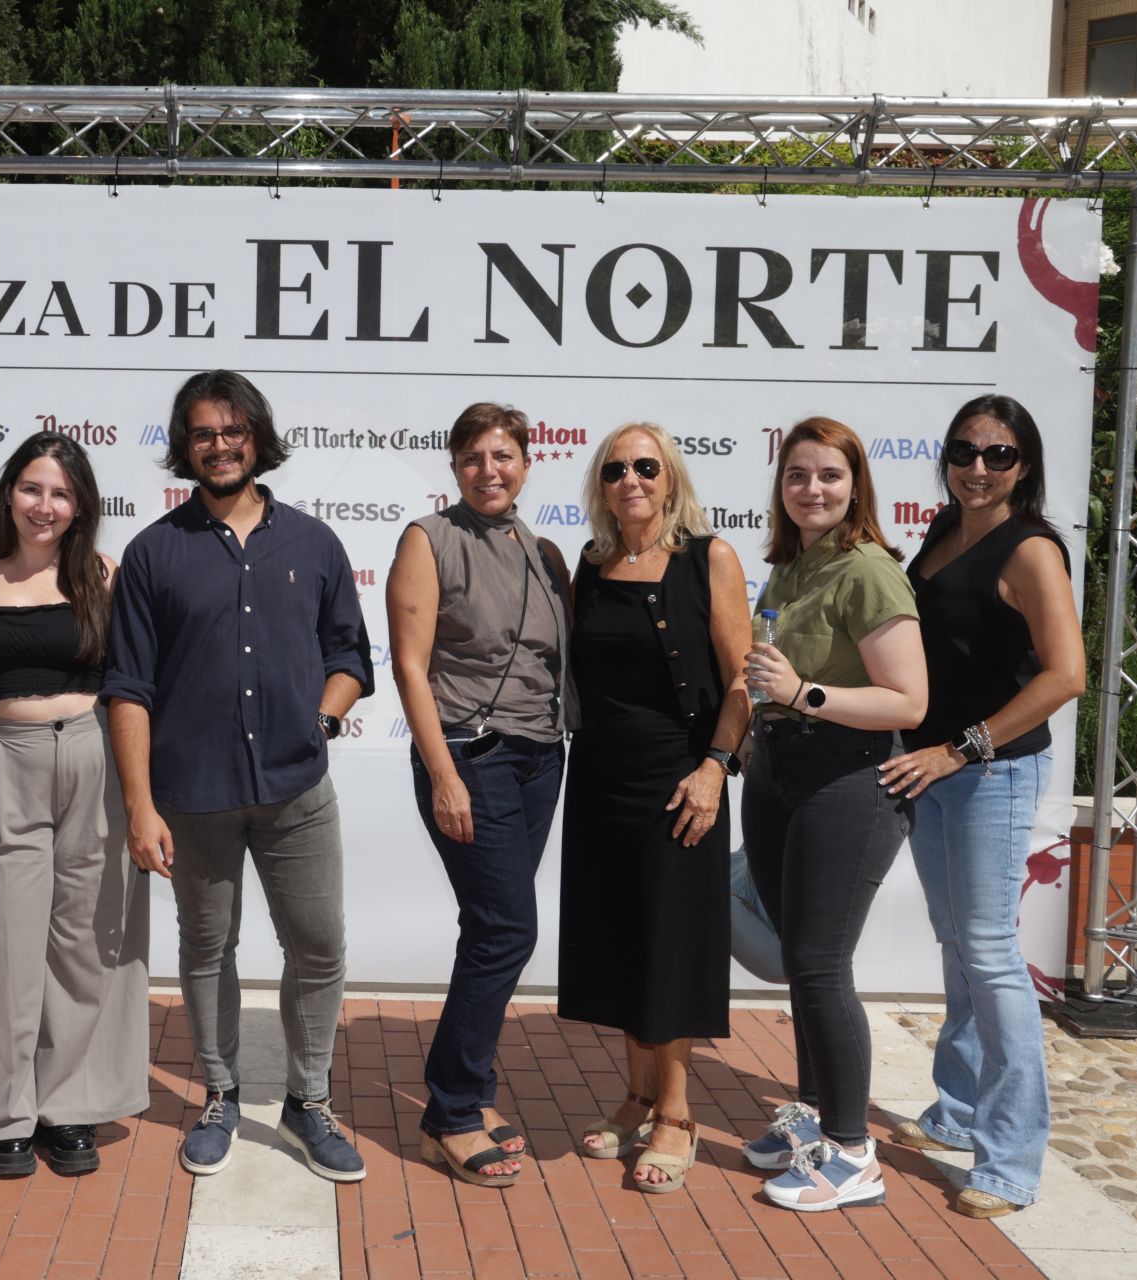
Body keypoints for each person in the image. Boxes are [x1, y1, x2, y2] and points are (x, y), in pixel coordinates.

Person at [103, 370, 374, 1183]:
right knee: (208, 947)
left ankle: (307, 1099)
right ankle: (219, 1092)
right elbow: (128, 687)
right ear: (184, 447)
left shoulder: (314, 543)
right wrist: (140, 806)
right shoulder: (156, 552)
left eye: (232, 431)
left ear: (257, 438)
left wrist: (323, 717)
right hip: (195, 798)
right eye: (202, 434)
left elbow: (350, 656)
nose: (218, 446)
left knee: (319, 946)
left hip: (297, 792)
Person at [876, 395, 1084, 1219]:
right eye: (965, 451)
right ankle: (958, 1111)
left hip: (989, 777)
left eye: (998, 455)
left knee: (992, 958)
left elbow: (1064, 676)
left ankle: (1010, 1159)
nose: (978, 467)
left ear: (1023, 465)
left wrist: (964, 747)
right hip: (932, 772)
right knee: (959, 945)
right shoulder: (942, 528)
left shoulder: (1031, 549)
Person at [0, 431, 149, 1180]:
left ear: (80, 506)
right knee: (7, 946)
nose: (44, 505)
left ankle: (67, 1107)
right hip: (8, 761)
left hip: (93, 758)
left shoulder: (102, 573)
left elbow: (132, 685)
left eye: (61, 493)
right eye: (32, 489)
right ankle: (6, 1118)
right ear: (8, 494)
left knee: (80, 943)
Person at [740, 416, 927, 1212]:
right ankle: (815, 1120)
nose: (811, 489)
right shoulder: (791, 566)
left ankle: (853, 1154)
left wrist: (801, 696)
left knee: (821, 964)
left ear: (856, 486)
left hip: (846, 781)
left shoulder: (868, 571)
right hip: (781, 775)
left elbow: (909, 700)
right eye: (797, 476)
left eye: (828, 476)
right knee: (800, 961)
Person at [558, 423, 751, 1194]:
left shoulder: (712, 558)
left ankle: (677, 1113)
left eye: (646, 466)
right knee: (621, 942)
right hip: (602, 774)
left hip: (681, 775)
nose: (631, 479)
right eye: (616, 469)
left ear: (670, 479)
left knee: (671, 945)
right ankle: (637, 1096)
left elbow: (741, 681)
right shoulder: (593, 563)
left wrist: (715, 768)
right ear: (600, 486)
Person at [386, 403, 570, 1188]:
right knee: (506, 930)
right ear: (454, 468)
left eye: (503, 456)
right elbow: (408, 664)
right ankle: (452, 1110)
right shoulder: (429, 541)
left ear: (528, 463)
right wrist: (445, 775)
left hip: (540, 759)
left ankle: (471, 1089)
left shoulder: (546, 551)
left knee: (490, 928)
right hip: (472, 756)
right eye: (472, 458)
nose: (489, 471)